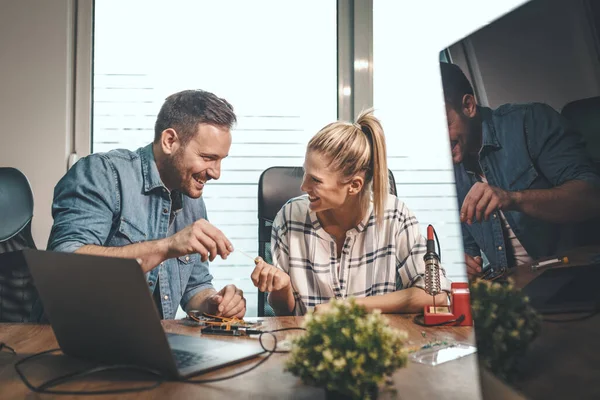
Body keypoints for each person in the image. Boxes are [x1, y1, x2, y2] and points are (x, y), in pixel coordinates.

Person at [47, 89, 246, 319]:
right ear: (169, 141)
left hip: (148, 342)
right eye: (208, 158)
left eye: (221, 160)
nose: (216, 173)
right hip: (76, 339)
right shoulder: (103, 174)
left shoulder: (193, 202)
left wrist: (215, 303)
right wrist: (166, 247)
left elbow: (195, 287)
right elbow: (64, 264)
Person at [250, 110, 451, 316]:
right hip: (308, 341)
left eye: (315, 180)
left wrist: (347, 307)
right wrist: (282, 288)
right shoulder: (289, 217)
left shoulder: (395, 215)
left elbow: (436, 296)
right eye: (304, 174)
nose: (303, 186)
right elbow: (284, 314)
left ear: (354, 185)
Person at [440, 62, 600, 279]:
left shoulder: (530, 122)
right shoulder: (447, 173)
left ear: (468, 106)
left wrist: (513, 199)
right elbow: (469, 253)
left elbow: (591, 197)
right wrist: (460, 265)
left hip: (575, 276)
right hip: (514, 291)